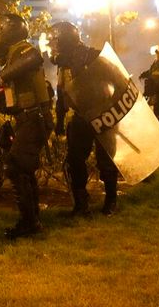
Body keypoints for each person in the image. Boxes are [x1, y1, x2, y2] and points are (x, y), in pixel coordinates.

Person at [0, 13, 54, 239]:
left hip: (34, 118)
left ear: (7, 32)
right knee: (23, 168)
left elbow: (34, 58)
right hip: (27, 118)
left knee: (15, 166)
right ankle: (33, 221)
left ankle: (29, 223)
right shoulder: (12, 56)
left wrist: (2, 76)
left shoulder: (23, 49)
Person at [46, 22, 120, 216]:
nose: (52, 48)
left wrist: (111, 108)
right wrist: (60, 120)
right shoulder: (63, 64)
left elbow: (119, 80)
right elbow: (62, 92)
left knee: (106, 159)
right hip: (80, 118)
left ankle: (111, 200)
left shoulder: (94, 56)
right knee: (74, 159)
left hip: (103, 115)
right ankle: (81, 203)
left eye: (55, 43)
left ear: (64, 41)